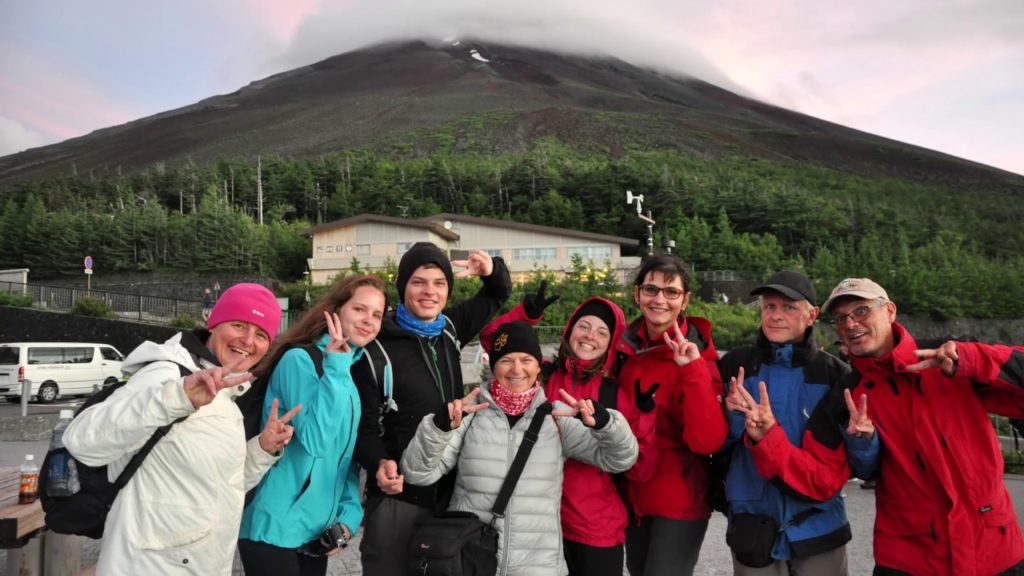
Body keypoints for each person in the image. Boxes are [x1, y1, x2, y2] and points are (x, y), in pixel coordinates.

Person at [63, 283, 296, 576]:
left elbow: (222, 487)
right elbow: (83, 440)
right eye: (238, 324)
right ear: (213, 323)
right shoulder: (169, 372)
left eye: (261, 334)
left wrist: (262, 449)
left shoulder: (227, 397)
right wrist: (176, 397)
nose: (248, 340)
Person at [401, 321, 640, 576]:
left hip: (538, 566)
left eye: (526, 359)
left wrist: (606, 424)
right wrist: (437, 428)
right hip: (471, 560)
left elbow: (620, 460)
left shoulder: (557, 417)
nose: (517, 369)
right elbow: (418, 473)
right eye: (506, 360)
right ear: (493, 365)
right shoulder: (469, 415)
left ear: (539, 365)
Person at [822, 277, 1024, 576]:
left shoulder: (949, 361)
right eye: (840, 318)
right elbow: (864, 472)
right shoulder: (848, 393)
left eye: (861, 311)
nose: (850, 324)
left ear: (890, 311)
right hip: (909, 557)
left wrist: (972, 359)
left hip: (993, 547)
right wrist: (863, 444)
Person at [353, 242, 512, 575]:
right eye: (418, 282)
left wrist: (491, 269)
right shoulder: (376, 347)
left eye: (439, 283)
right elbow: (363, 427)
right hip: (399, 497)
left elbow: (497, 294)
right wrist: (378, 462)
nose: (430, 292)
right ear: (403, 286)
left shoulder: (449, 328)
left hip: (449, 496)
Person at [480, 284, 658, 575]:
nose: (590, 336)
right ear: (570, 330)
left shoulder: (615, 393)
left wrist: (643, 417)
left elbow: (638, 468)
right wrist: (526, 315)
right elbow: (494, 342)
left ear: (611, 343)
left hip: (594, 528)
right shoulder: (543, 374)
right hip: (539, 526)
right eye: (584, 326)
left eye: (602, 332)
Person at [719, 270, 878, 575]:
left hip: (819, 525)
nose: (776, 316)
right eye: (770, 307)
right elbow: (715, 446)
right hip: (753, 524)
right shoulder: (735, 365)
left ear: (811, 315)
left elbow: (863, 467)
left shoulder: (837, 375)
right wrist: (732, 419)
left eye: (788, 307)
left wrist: (863, 441)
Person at [238, 275, 388, 576]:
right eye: (359, 309)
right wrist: (335, 367)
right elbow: (315, 441)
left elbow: (342, 457)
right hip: (274, 525)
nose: (368, 321)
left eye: (377, 315)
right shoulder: (300, 360)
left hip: (313, 531)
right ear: (336, 310)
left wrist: (348, 514)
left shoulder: (345, 370)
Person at [614, 254, 727, 576]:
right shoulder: (624, 350)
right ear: (637, 294)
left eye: (671, 292)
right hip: (632, 494)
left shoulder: (698, 356)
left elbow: (707, 441)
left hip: (678, 499)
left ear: (685, 299)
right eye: (651, 290)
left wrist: (692, 371)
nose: (659, 299)